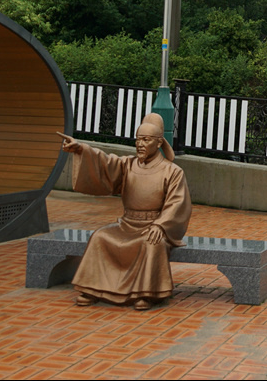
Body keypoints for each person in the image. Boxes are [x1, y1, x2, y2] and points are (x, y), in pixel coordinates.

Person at [59, 113, 191, 310]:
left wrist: (161, 225)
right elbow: (104, 161)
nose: (140, 144)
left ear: (158, 143)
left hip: (152, 225)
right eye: (138, 139)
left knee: (152, 243)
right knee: (100, 236)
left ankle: (147, 293)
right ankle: (92, 289)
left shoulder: (172, 171)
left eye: (146, 140)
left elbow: (177, 203)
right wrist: (81, 149)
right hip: (127, 224)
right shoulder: (127, 164)